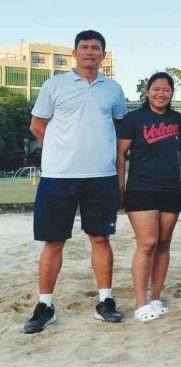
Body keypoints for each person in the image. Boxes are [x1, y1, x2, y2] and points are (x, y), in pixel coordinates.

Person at [25, 30, 126, 333]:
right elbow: (37, 125)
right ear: (75, 53)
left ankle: (105, 301)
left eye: (96, 48)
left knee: (100, 239)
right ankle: (45, 305)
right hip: (59, 176)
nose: (90, 52)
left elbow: (119, 130)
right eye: (85, 47)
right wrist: (61, 149)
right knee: (53, 241)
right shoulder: (54, 85)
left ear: (103, 55)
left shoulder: (114, 89)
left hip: (101, 176)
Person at [117, 72, 181, 322]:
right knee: (147, 243)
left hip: (171, 189)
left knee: (164, 243)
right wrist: (121, 186)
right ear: (147, 92)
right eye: (156, 89)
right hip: (141, 189)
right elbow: (120, 155)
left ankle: (156, 296)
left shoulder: (178, 120)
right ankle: (140, 302)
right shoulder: (133, 119)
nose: (161, 94)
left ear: (172, 93)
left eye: (166, 90)